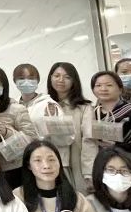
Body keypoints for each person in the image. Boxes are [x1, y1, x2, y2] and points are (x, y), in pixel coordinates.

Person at [83, 71, 131, 196]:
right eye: (98, 85)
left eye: (109, 85)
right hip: (104, 168)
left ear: (120, 89)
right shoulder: (92, 114)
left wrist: (118, 145)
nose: (103, 89)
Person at [29, 61, 92, 193]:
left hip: (75, 164)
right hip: (46, 165)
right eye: (57, 76)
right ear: (50, 78)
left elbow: (89, 141)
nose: (61, 80)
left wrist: (89, 172)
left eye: (67, 77)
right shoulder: (41, 105)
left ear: (74, 81)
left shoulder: (84, 108)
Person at [0, 66, 37, 188]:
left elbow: (32, 140)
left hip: (11, 170)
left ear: (4, 86)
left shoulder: (16, 109)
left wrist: (7, 132)